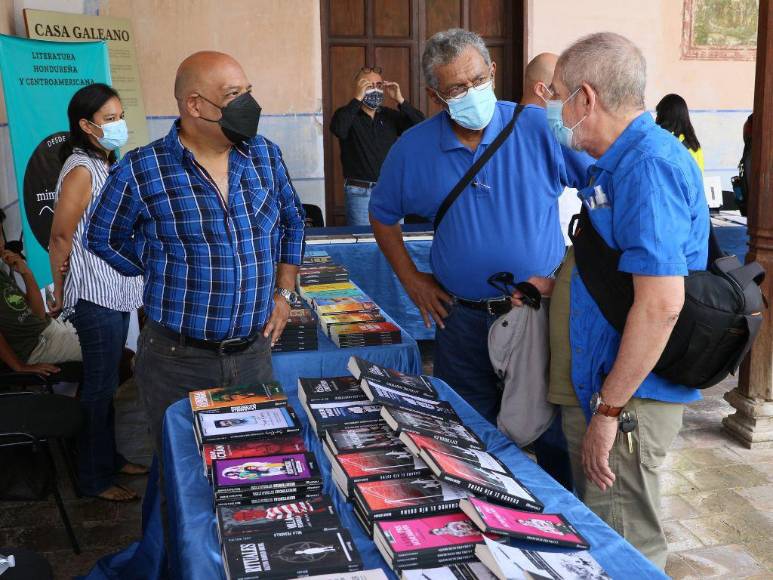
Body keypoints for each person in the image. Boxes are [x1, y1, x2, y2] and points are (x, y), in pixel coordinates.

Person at [369, 30, 589, 440]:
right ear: (436, 96)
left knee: (553, 436)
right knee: (467, 436)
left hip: (537, 314)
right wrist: (411, 279)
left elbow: (597, 194)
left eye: (478, 81)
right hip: (462, 320)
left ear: (492, 72)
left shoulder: (540, 128)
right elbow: (382, 215)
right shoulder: (412, 149)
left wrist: (572, 281)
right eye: (457, 88)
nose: (471, 93)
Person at [85, 51, 306, 458]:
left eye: (248, 92)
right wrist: (156, 269)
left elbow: (293, 221)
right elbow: (102, 236)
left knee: (255, 471)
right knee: (182, 476)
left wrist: (285, 292)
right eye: (234, 94)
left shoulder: (264, 156)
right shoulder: (142, 168)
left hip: (253, 353)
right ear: (195, 104)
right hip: (177, 361)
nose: (248, 105)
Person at [547, 32, 709, 568]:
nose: (554, 107)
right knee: (602, 528)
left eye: (558, 95)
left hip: (628, 400)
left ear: (586, 99)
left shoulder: (648, 166)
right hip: (605, 387)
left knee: (625, 545)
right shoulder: (618, 162)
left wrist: (609, 409)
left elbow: (661, 303)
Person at [49, 83, 147, 502]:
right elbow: (60, 236)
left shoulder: (105, 162)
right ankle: (93, 478)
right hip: (94, 295)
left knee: (106, 381)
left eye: (120, 115)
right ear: (86, 125)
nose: (119, 125)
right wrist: (60, 292)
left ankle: (109, 459)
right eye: (110, 119)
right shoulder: (81, 169)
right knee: (99, 387)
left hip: (116, 288)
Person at [330, 66, 425, 225]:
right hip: (359, 193)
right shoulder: (346, 114)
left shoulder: (389, 116)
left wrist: (400, 100)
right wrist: (357, 99)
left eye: (379, 85)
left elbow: (420, 126)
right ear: (359, 87)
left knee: (393, 242)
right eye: (369, 85)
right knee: (363, 244)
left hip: (390, 190)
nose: (375, 89)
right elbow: (338, 129)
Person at [0, 209, 81, 374]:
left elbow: (36, 312)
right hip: (37, 346)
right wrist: (19, 367)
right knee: (117, 354)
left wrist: (26, 273)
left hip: (49, 330)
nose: (1, 242)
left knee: (109, 338)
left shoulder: (1, 273)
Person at [655, 93, 704, 172]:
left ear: (664, 117)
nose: (656, 118)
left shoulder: (665, 142)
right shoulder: (694, 145)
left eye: (658, 114)